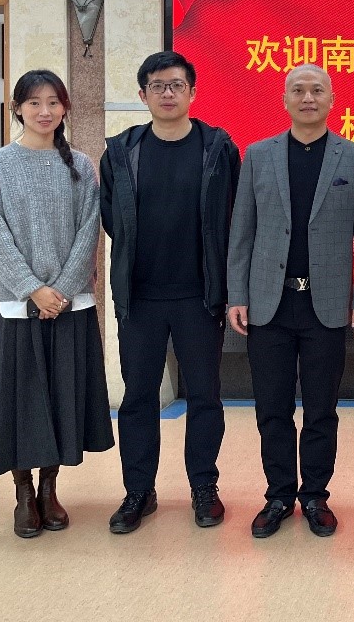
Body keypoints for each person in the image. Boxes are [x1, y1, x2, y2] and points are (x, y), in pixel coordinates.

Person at [226, 64, 354, 539]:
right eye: (298, 90)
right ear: (285, 99)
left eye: (317, 90)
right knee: (271, 407)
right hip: (268, 303)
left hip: (326, 304)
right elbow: (242, 231)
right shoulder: (258, 155)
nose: (307, 98)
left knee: (321, 409)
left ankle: (314, 496)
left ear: (332, 99)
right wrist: (237, 294)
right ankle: (277, 495)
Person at [0, 69, 113, 538]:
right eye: (34, 103)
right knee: (21, 401)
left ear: (65, 108)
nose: (44, 111)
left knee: (61, 398)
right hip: (16, 306)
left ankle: (51, 487)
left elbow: (90, 231)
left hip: (70, 304)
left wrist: (61, 290)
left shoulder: (81, 165)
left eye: (53, 102)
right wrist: (33, 288)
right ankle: (24, 491)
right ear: (17, 109)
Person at [100, 50, 240, 534]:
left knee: (205, 395)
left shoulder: (218, 147)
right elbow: (112, 218)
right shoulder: (121, 151)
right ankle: (139, 491)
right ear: (143, 95)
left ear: (192, 92)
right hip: (139, 297)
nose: (167, 93)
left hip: (200, 297)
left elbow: (233, 216)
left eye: (177, 85)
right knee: (138, 396)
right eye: (157, 86)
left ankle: (204, 487)